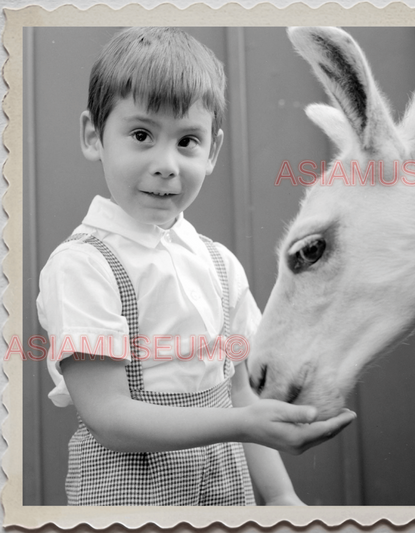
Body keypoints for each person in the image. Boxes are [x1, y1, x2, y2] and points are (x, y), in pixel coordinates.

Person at [37, 27, 355, 506]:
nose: (167, 163)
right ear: (93, 135)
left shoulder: (219, 265)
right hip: (133, 493)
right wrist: (242, 423)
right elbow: (109, 418)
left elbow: (239, 394)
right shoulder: (82, 266)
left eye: (187, 141)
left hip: (227, 490)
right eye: (142, 135)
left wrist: (282, 498)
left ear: (212, 152)